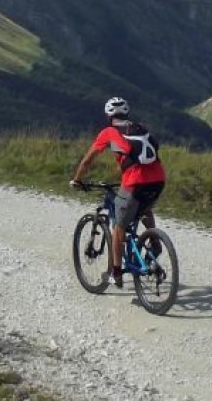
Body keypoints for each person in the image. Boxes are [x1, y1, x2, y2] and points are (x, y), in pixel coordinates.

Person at [70, 96, 166, 288]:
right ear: (126, 113)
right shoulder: (140, 127)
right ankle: (154, 241)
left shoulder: (108, 132)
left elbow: (88, 160)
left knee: (119, 227)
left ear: (108, 115)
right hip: (158, 179)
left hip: (134, 182)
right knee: (144, 208)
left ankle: (116, 273)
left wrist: (77, 180)